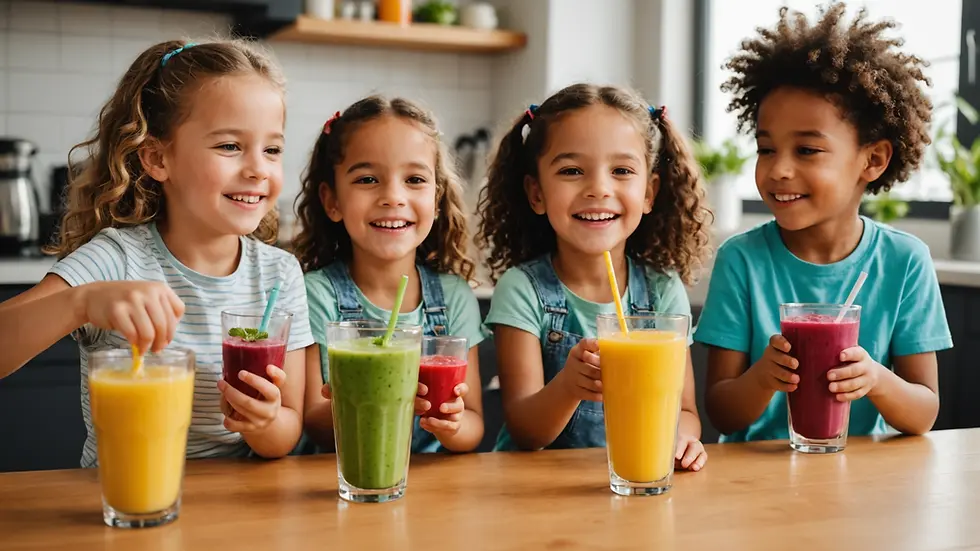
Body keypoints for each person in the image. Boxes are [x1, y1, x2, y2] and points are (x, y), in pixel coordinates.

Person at [0, 40, 313, 466]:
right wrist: (82, 302)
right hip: (125, 501)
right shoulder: (117, 260)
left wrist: (264, 423)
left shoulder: (280, 273)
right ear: (158, 158)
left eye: (272, 149)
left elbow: (287, 428)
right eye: (229, 146)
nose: (258, 168)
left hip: (236, 507)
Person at [696, 3, 951, 442]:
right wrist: (762, 379)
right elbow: (722, 412)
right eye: (766, 149)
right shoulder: (741, 260)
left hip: (857, 482)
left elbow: (924, 412)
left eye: (807, 150)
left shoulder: (905, 261)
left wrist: (876, 378)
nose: (778, 170)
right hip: (752, 484)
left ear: (873, 160)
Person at [477, 83, 711, 471]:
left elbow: (684, 410)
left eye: (621, 171)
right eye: (572, 171)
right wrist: (569, 386)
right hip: (534, 490)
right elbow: (524, 429)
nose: (598, 189)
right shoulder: (522, 290)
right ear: (536, 194)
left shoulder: (662, 289)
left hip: (632, 478)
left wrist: (683, 439)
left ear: (650, 192)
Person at [295, 96, 486, 453]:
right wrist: (369, 398)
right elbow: (314, 422)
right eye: (368, 179)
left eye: (414, 179)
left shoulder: (454, 298)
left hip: (430, 488)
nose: (393, 197)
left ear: (436, 199)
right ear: (332, 201)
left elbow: (473, 424)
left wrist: (452, 425)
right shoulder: (314, 295)